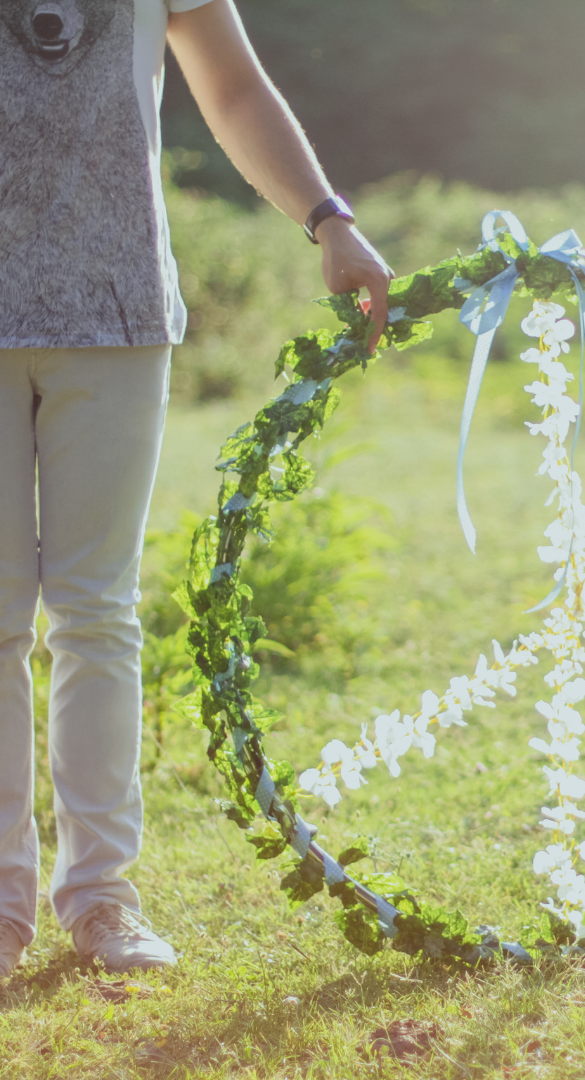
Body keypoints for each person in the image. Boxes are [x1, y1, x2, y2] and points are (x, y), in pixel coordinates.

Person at [0, 0, 392, 976]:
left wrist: (327, 217)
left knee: (96, 612)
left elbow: (234, 86)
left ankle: (101, 902)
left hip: (120, 306)